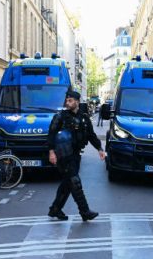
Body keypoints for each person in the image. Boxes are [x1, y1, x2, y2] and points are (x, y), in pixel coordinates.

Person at [47, 89, 105, 222]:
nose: (67, 103)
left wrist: (100, 149)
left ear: (77, 102)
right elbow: (51, 135)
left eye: (70, 100)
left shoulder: (84, 118)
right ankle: (85, 212)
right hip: (63, 155)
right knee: (75, 182)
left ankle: (55, 209)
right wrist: (51, 152)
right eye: (66, 100)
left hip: (75, 155)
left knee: (67, 184)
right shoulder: (60, 117)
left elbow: (91, 135)